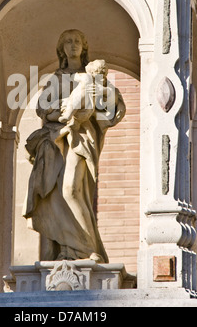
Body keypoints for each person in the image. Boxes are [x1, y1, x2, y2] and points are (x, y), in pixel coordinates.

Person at [23, 30, 126, 263]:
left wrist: (100, 93)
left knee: (71, 189)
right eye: (68, 42)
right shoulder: (57, 78)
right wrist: (63, 107)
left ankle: (88, 247)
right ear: (61, 48)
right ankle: (64, 248)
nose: (73, 45)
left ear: (84, 46)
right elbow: (42, 108)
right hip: (56, 139)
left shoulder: (93, 75)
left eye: (77, 41)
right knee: (53, 194)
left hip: (81, 138)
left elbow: (115, 106)